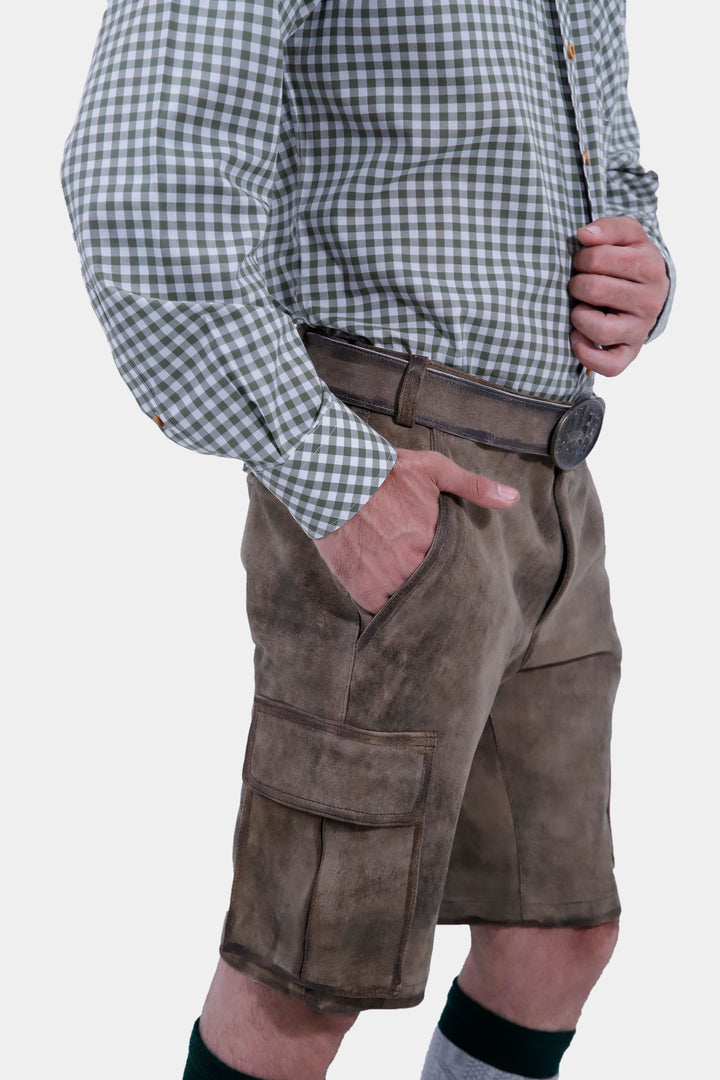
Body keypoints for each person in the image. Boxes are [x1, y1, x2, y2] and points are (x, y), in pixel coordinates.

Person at [61, 1, 674, 1077]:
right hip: (387, 462)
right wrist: (330, 470)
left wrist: (640, 278)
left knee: (560, 935)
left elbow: (609, 168)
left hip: (552, 480)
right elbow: (141, 175)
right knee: (307, 973)